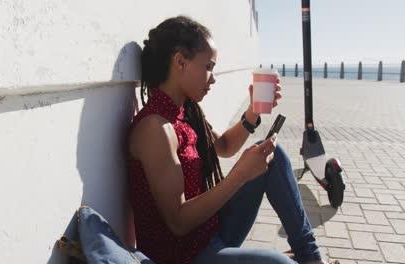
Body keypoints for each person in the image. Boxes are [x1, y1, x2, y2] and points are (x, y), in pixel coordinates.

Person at [127, 15, 337, 264]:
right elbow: (178, 223)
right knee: (278, 262)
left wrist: (253, 112)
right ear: (180, 62)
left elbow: (224, 147)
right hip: (186, 256)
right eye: (208, 67)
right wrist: (240, 175)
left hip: (210, 231)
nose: (213, 78)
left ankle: (310, 257)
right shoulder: (155, 128)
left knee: (273, 156)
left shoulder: (185, 110)